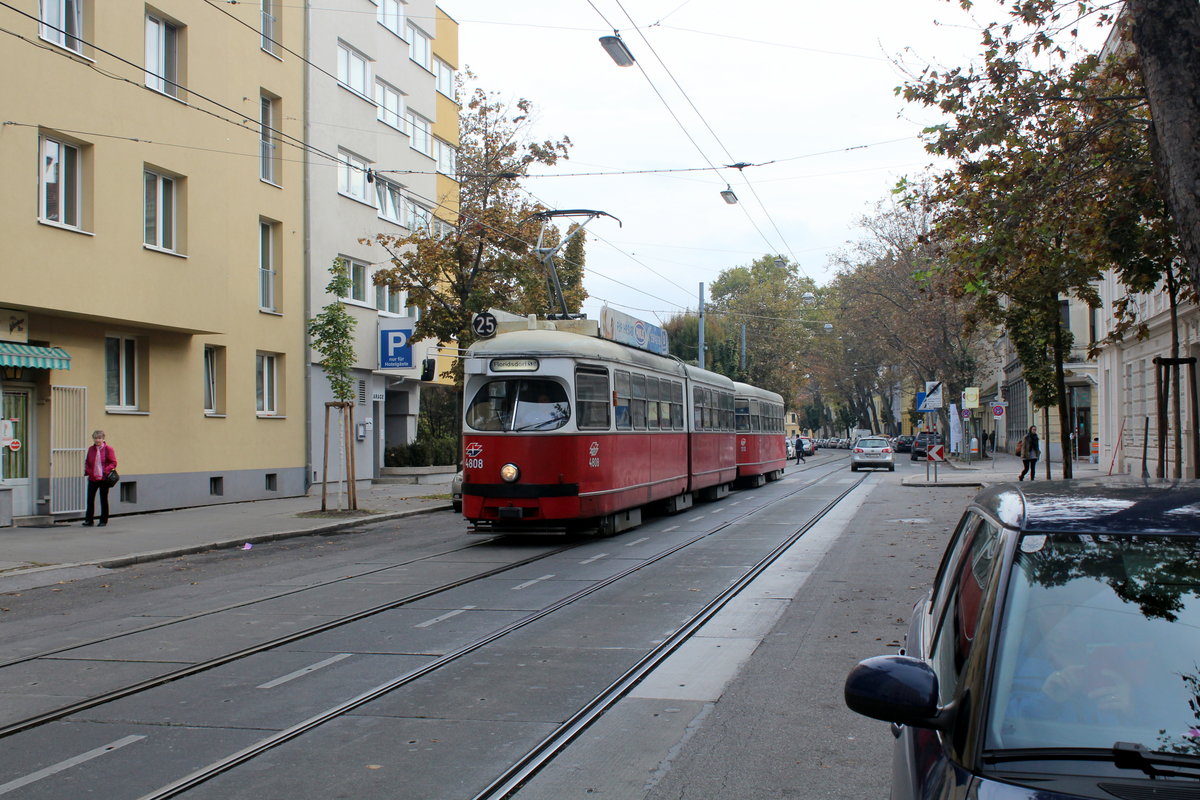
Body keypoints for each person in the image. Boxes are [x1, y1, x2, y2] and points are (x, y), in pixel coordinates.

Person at [83, 429, 117, 527]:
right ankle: (89, 520)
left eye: (99, 438)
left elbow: (113, 462)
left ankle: (103, 520)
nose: (97, 440)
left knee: (103, 499)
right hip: (93, 478)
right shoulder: (90, 449)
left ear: (103, 439)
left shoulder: (108, 449)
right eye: (96, 438)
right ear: (93, 439)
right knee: (90, 499)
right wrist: (88, 471)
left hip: (104, 479)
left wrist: (106, 470)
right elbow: (87, 462)